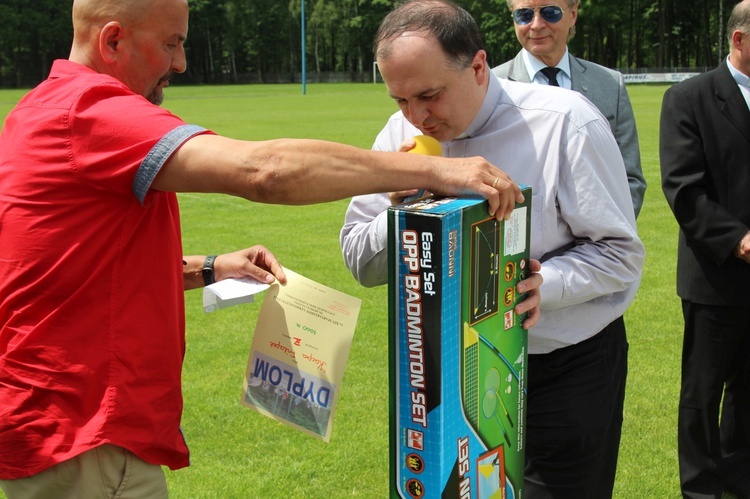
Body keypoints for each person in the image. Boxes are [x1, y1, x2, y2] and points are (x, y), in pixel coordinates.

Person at [0, 0, 529, 497]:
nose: (182, 62)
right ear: (113, 40)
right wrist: (435, 167)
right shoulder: (89, 110)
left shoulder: (44, 106)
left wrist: (209, 268)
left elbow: (73, 265)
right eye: (171, 43)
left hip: (71, 424)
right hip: (84, 429)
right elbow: (264, 172)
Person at [339, 0, 644, 497]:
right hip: (444, 376)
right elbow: (360, 260)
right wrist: (399, 214)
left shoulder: (565, 122)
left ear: (478, 66)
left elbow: (619, 254)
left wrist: (542, 284)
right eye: (400, 100)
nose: (417, 117)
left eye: (430, 95)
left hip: (561, 368)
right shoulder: (400, 138)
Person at [659, 1, 750, 497]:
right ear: (739, 40)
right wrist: (739, 240)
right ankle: (700, 489)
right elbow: (683, 188)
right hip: (715, 275)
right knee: (702, 394)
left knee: (749, 394)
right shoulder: (689, 98)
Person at [492, 0, 646, 218]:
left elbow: (630, 179)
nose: (536, 25)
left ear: (573, 14)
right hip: (521, 247)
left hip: (597, 244)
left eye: (549, 13)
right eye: (524, 14)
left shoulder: (610, 85)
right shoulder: (491, 87)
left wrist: (603, 241)